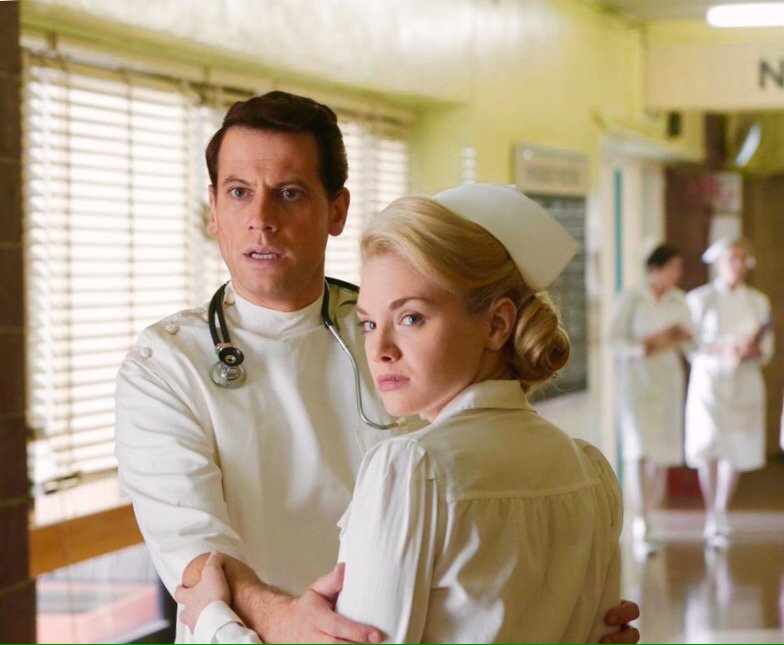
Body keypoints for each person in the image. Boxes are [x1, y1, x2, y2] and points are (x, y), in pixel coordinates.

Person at [115, 91, 640, 643]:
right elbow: (195, 555)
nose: (261, 221)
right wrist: (284, 620)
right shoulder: (165, 365)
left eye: (289, 194)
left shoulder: (397, 345)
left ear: (337, 211)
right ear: (214, 208)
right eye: (239, 192)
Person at [684, 237, 774, 546]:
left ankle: (721, 511)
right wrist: (723, 349)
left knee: (737, 444)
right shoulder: (700, 299)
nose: (737, 265)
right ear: (719, 263)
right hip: (710, 381)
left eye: (742, 258)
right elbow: (690, 343)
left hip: (744, 380)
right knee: (709, 443)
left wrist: (752, 350)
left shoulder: (758, 301)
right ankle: (711, 510)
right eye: (731, 258)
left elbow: (767, 347)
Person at [609, 244, 692, 550]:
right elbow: (613, 340)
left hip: (667, 380)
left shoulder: (679, 300)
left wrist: (678, 338)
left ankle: (651, 514)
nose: (677, 274)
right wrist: (639, 348)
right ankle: (640, 519)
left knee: (661, 453)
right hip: (637, 382)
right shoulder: (631, 298)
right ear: (655, 270)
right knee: (638, 449)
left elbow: (690, 340)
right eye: (673, 268)